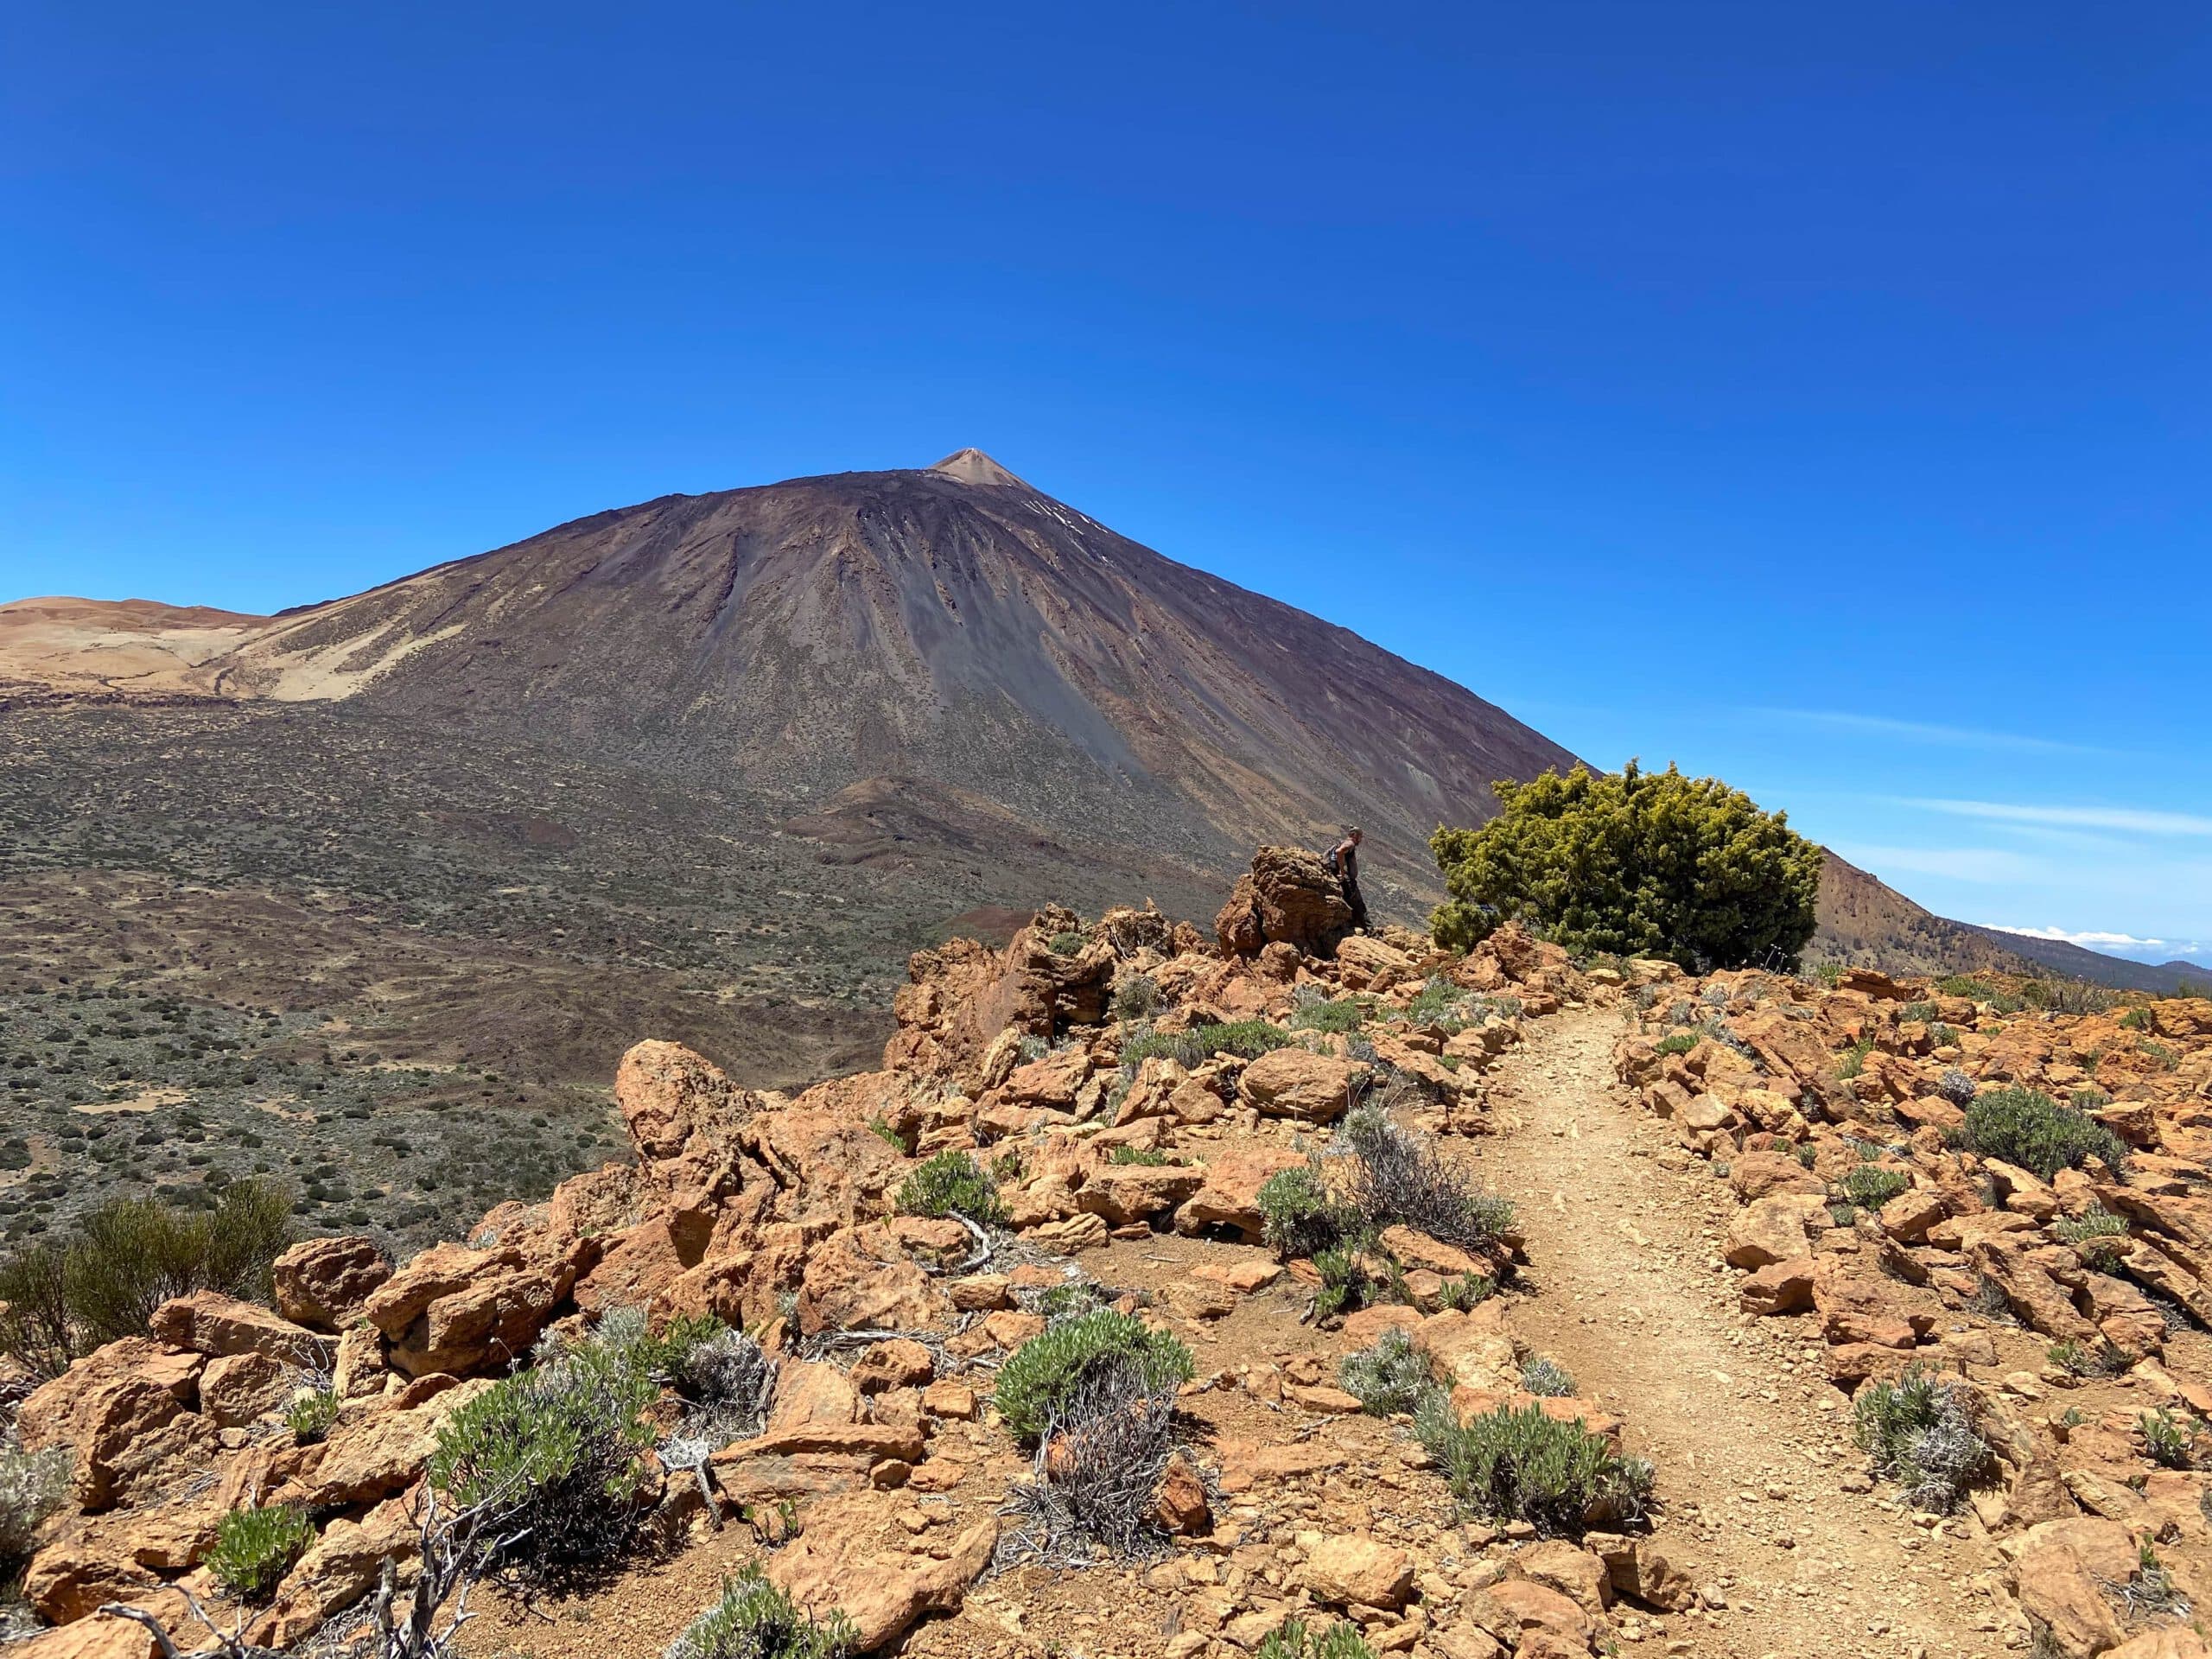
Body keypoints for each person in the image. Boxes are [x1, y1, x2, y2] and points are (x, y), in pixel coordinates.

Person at [1325, 828, 1369, 933]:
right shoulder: (1350, 844)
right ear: (1354, 835)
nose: (1360, 840)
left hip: (1343, 880)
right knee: (1359, 906)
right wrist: (1343, 872)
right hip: (1348, 882)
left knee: (1351, 906)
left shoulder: (1342, 842)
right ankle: (1370, 931)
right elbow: (1339, 852)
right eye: (1360, 837)